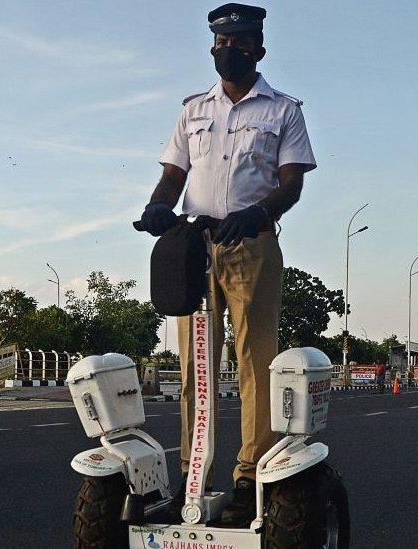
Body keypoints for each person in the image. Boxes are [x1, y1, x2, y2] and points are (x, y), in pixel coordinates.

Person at [136, 2, 316, 527]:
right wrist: (158, 206)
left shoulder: (283, 110)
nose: (227, 51)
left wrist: (258, 212)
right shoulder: (193, 109)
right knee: (195, 370)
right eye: (219, 43)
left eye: (238, 43)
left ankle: (247, 477)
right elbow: (174, 174)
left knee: (255, 362)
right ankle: (195, 476)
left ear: (258, 48)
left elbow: (292, 184)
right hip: (196, 248)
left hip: (251, 246)